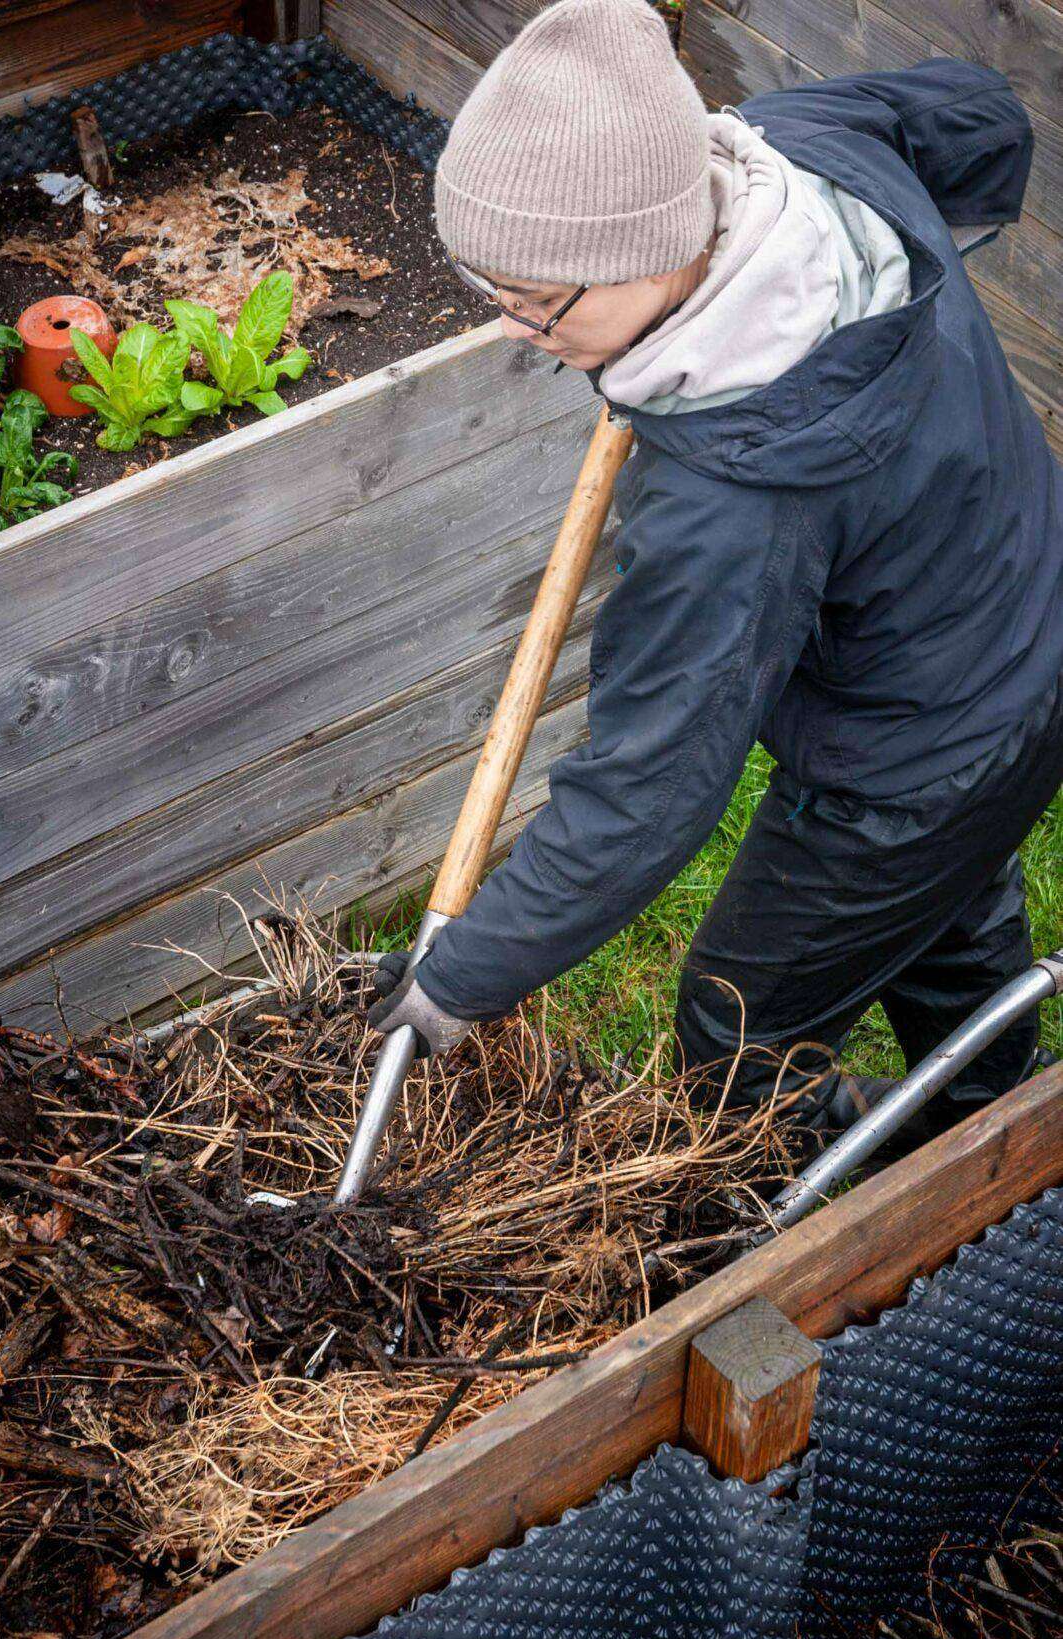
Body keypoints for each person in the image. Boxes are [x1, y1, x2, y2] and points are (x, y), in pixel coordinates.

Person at [369, 0, 1062, 1134]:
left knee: (736, 1027)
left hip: (913, 761)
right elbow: (974, 114)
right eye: (492, 290)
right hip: (1024, 607)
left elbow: (649, 785)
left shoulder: (735, 496)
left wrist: (460, 980)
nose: (512, 329)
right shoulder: (801, 147)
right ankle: (992, 1129)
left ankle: (830, 1181)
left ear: (643, 256)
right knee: (941, 900)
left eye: (535, 301)